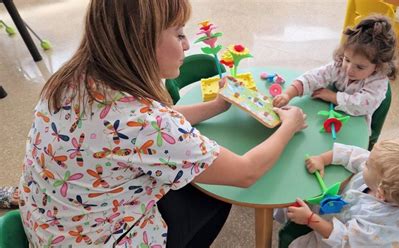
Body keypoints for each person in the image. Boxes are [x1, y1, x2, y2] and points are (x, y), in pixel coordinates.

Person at [18, 1, 307, 247]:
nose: (187, 44)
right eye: (179, 33)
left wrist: (217, 105)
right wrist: (289, 126)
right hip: (100, 239)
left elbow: (155, 128)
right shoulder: (144, 120)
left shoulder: (73, 77)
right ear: (141, 41)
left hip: (49, 225)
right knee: (218, 196)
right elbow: (245, 173)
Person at [276, 137, 399, 247]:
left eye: (368, 164)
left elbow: (345, 240)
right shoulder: (383, 176)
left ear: (380, 192)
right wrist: (322, 159)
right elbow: (351, 154)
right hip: (341, 212)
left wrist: (310, 220)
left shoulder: (381, 222)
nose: (365, 160)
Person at [273, 15, 397, 130]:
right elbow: (315, 76)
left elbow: (362, 105)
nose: (349, 69)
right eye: (347, 60)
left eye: (360, 67)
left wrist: (332, 96)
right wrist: (288, 94)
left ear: (378, 66)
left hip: (355, 127)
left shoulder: (378, 81)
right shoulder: (339, 65)